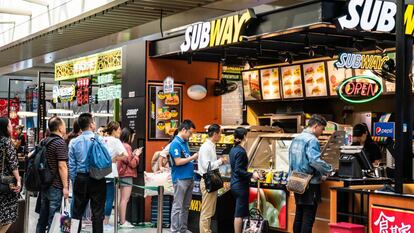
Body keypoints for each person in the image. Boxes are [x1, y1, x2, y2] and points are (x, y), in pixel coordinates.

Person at [289, 114, 332, 233]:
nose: (322, 132)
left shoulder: (296, 138)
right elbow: (314, 161)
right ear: (316, 126)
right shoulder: (312, 140)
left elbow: (290, 161)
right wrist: (329, 169)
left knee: (299, 215)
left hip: (296, 180)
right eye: (322, 129)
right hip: (309, 183)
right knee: (308, 218)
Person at [69, 113, 106, 233]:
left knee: (76, 212)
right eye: (94, 122)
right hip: (97, 178)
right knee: (97, 212)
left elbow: (72, 165)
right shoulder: (99, 139)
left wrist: (75, 181)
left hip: (81, 178)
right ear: (91, 125)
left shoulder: (74, 142)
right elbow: (105, 158)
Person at [36, 116, 69, 233]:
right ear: (60, 128)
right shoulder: (60, 143)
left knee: (43, 218)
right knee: (54, 219)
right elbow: (62, 166)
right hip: (55, 185)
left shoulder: (44, 141)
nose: (65, 127)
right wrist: (65, 187)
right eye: (64, 125)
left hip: (44, 184)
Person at [169, 120, 199, 233]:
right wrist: (193, 158)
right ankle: (175, 230)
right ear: (183, 130)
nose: (190, 136)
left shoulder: (185, 142)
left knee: (186, 206)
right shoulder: (175, 143)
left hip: (189, 177)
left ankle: (183, 228)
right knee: (178, 205)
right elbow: (178, 161)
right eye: (189, 133)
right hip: (180, 178)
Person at [229, 127, 260, 233]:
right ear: (244, 137)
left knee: (242, 212)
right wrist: (252, 174)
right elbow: (238, 170)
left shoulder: (233, 149)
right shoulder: (241, 152)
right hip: (240, 186)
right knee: (239, 214)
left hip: (234, 184)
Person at [198, 124, 226, 233]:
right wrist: (220, 161)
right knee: (206, 212)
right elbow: (206, 166)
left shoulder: (211, 146)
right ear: (215, 134)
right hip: (207, 181)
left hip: (210, 181)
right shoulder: (206, 147)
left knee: (210, 211)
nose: (221, 135)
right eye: (220, 133)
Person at [102, 121, 128, 229]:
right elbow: (125, 155)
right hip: (111, 172)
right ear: (113, 130)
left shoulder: (101, 139)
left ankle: (100, 221)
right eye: (119, 130)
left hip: (99, 171)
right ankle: (106, 222)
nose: (120, 132)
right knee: (109, 198)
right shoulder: (116, 141)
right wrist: (117, 158)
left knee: (101, 198)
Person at [117, 127, 142, 228]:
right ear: (129, 135)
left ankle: (121, 220)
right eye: (133, 136)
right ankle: (123, 222)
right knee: (125, 199)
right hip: (127, 175)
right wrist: (137, 155)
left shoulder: (120, 145)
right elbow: (132, 164)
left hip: (120, 174)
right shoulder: (127, 147)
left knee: (121, 199)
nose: (133, 138)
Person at [0, 118, 21, 233]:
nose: (12, 127)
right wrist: (18, 180)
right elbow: (13, 163)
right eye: (10, 125)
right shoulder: (6, 142)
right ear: (5, 127)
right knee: (9, 216)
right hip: (6, 183)